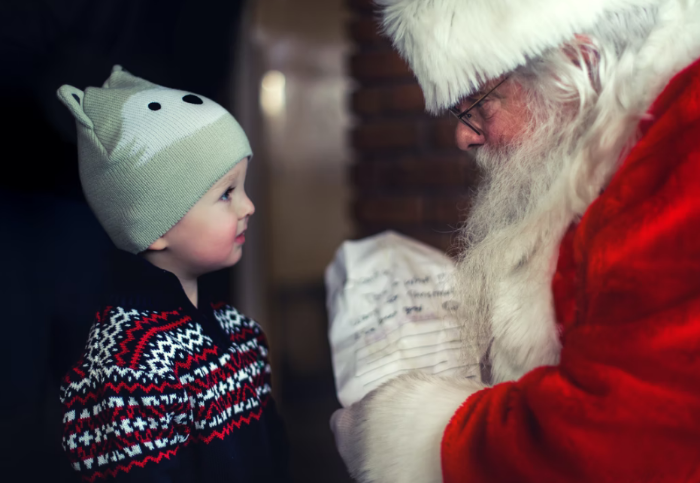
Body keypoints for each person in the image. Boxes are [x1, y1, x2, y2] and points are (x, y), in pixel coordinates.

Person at [330, 0, 700, 481]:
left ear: (580, 65)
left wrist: (413, 434)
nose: (464, 137)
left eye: (479, 104)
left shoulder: (683, 148)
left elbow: (625, 438)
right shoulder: (625, 143)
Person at [57, 66, 288, 482]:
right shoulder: (126, 368)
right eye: (226, 193)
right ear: (156, 225)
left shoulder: (242, 335)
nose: (247, 206)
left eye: (243, 188)